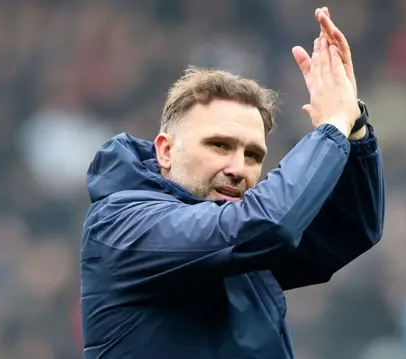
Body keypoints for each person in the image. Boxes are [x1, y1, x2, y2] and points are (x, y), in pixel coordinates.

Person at [80, 7, 384, 359]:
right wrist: (332, 127)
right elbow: (268, 224)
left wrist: (354, 126)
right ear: (165, 151)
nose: (238, 168)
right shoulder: (124, 224)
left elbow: (348, 229)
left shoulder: (242, 244)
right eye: (219, 145)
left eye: (253, 155)